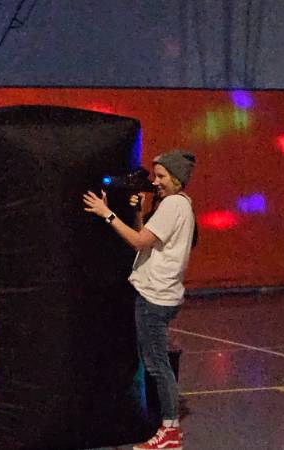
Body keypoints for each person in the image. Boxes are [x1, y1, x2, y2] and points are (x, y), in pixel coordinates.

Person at [83, 149, 196, 450]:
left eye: (161, 177)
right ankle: (169, 429)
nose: (156, 182)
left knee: (158, 365)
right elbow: (147, 240)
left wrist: (106, 213)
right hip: (161, 295)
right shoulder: (181, 205)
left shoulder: (173, 205)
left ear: (176, 178)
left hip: (155, 297)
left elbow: (137, 241)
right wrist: (137, 214)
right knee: (156, 363)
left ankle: (170, 432)